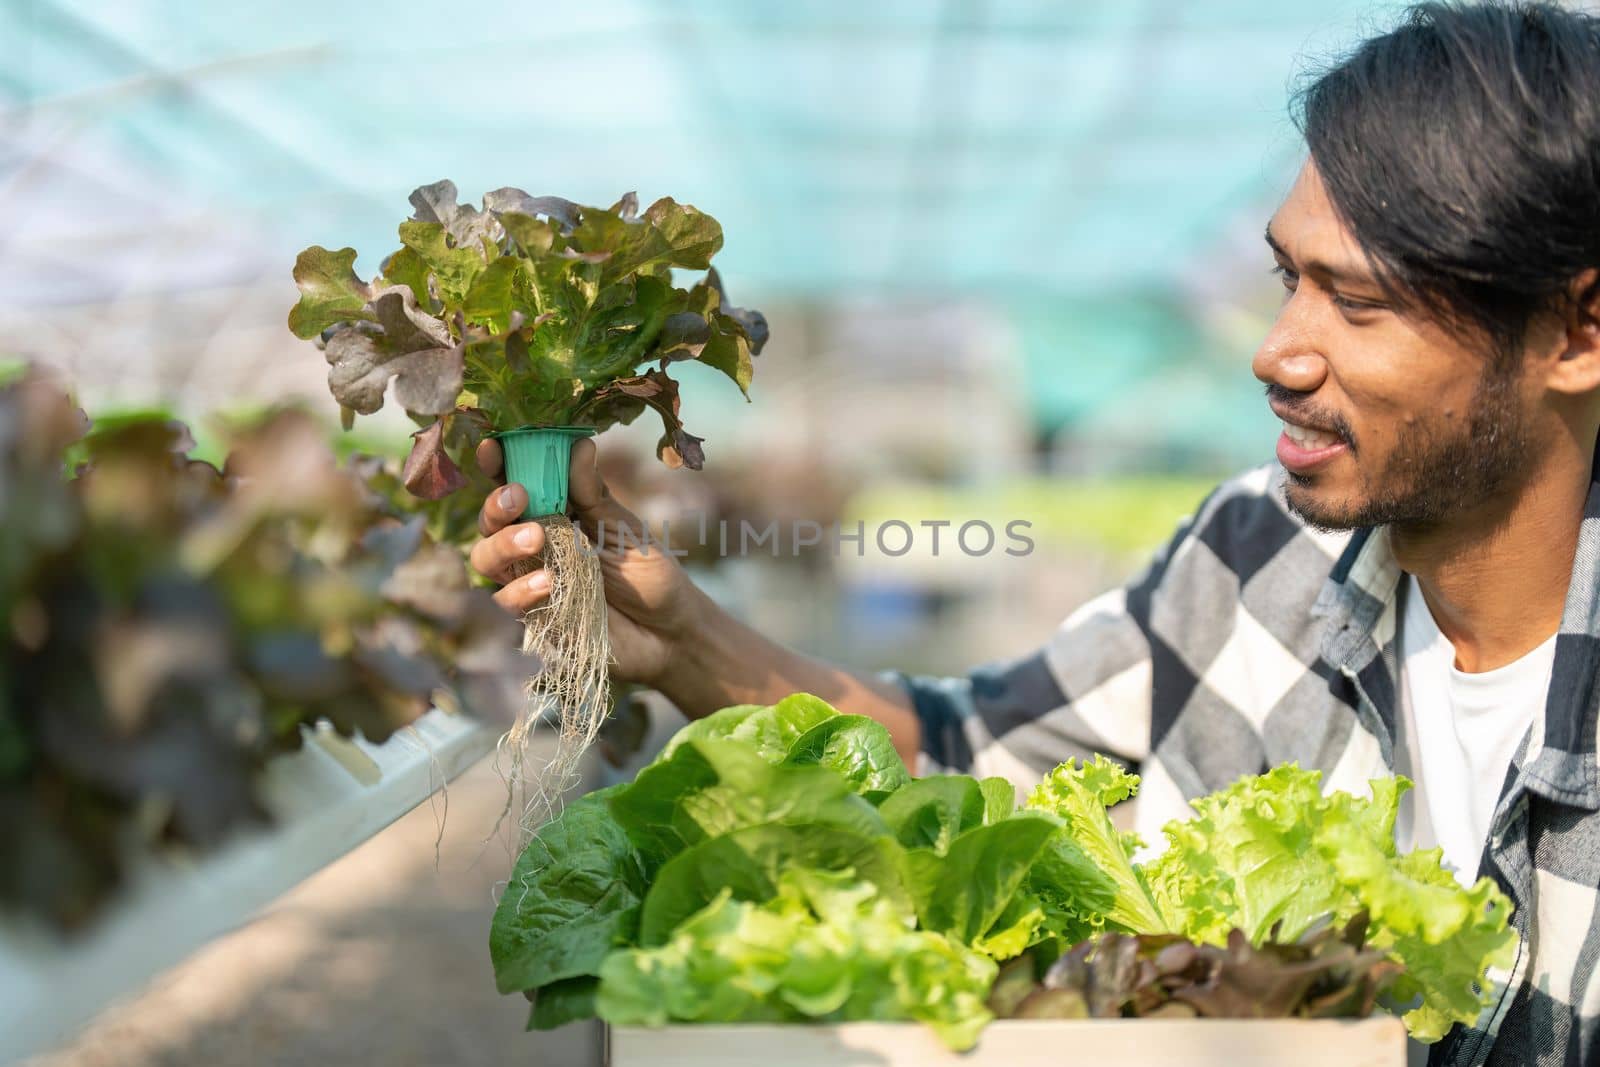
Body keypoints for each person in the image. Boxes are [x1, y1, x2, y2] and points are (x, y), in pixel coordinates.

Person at [468, 4, 1600, 1063]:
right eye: (1285, 278)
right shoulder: (1254, 553)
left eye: (1355, 302)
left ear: (1576, 331)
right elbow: (965, 753)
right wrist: (682, 637)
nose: (1276, 349)